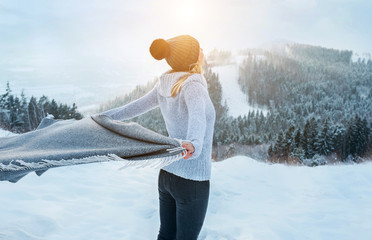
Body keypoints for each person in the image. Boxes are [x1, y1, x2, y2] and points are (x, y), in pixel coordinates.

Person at [101, 35, 216, 240]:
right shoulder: (193, 85)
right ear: (192, 57)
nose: (203, 51)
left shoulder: (166, 83)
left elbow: (134, 107)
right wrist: (195, 144)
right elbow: (197, 118)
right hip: (192, 180)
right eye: (199, 48)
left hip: (167, 175)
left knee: (166, 235)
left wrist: (104, 118)